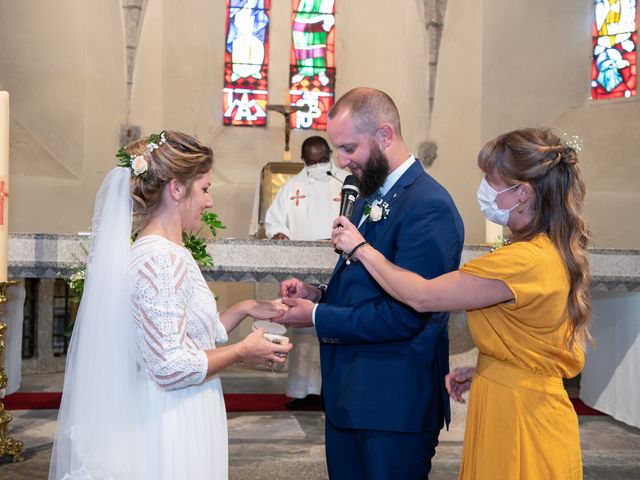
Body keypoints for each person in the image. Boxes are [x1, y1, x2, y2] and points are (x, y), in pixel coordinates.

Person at [331, 127, 591, 479]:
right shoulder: (545, 250)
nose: (485, 189)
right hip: (515, 395)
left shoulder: (524, 261)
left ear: (523, 192)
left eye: (492, 180)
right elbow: (532, 336)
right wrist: (489, 369)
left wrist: (362, 249)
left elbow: (421, 296)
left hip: (519, 417)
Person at [49, 131, 292, 480]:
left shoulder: (168, 252)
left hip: (185, 405)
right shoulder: (158, 261)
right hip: (172, 418)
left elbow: (186, 334)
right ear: (176, 188)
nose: (209, 202)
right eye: (205, 189)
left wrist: (245, 308)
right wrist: (242, 351)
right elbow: (169, 365)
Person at [274, 87, 464, 479]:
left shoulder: (429, 205)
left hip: (393, 404)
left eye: (348, 148)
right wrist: (319, 294)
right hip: (351, 396)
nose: (341, 162)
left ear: (384, 135)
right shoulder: (366, 197)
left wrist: (318, 316)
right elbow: (368, 287)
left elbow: (408, 313)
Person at [265, 135, 348, 409]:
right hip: (302, 271)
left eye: (322, 160)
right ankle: (304, 393)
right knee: (303, 331)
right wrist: (278, 232)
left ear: (329, 155)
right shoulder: (292, 187)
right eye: (311, 161)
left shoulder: (346, 183)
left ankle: (332, 392)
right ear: (304, 160)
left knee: (335, 325)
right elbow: (275, 219)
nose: (317, 165)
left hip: (338, 268)